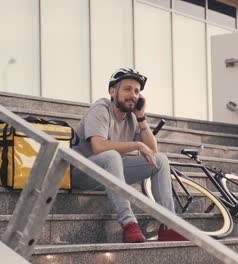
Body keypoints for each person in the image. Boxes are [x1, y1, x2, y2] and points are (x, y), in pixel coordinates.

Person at [71, 68, 187, 243]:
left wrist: (141, 117)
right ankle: (129, 224)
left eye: (136, 91)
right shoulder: (100, 109)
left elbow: (152, 151)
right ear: (112, 91)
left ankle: (168, 226)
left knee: (161, 160)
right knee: (111, 155)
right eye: (127, 89)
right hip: (80, 172)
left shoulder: (133, 117)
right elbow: (98, 146)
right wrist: (136, 144)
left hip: (110, 174)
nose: (132, 94)